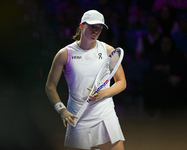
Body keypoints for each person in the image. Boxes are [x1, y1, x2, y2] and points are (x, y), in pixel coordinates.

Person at [45, 10, 126, 150]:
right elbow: (50, 86)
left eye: (99, 27)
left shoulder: (108, 51)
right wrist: (62, 110)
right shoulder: (64, 54)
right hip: (77, 117)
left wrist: (104, 93)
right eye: (92, 26)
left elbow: (121, 82)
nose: (96, 30)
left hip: (104, 114)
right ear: (81, 26)